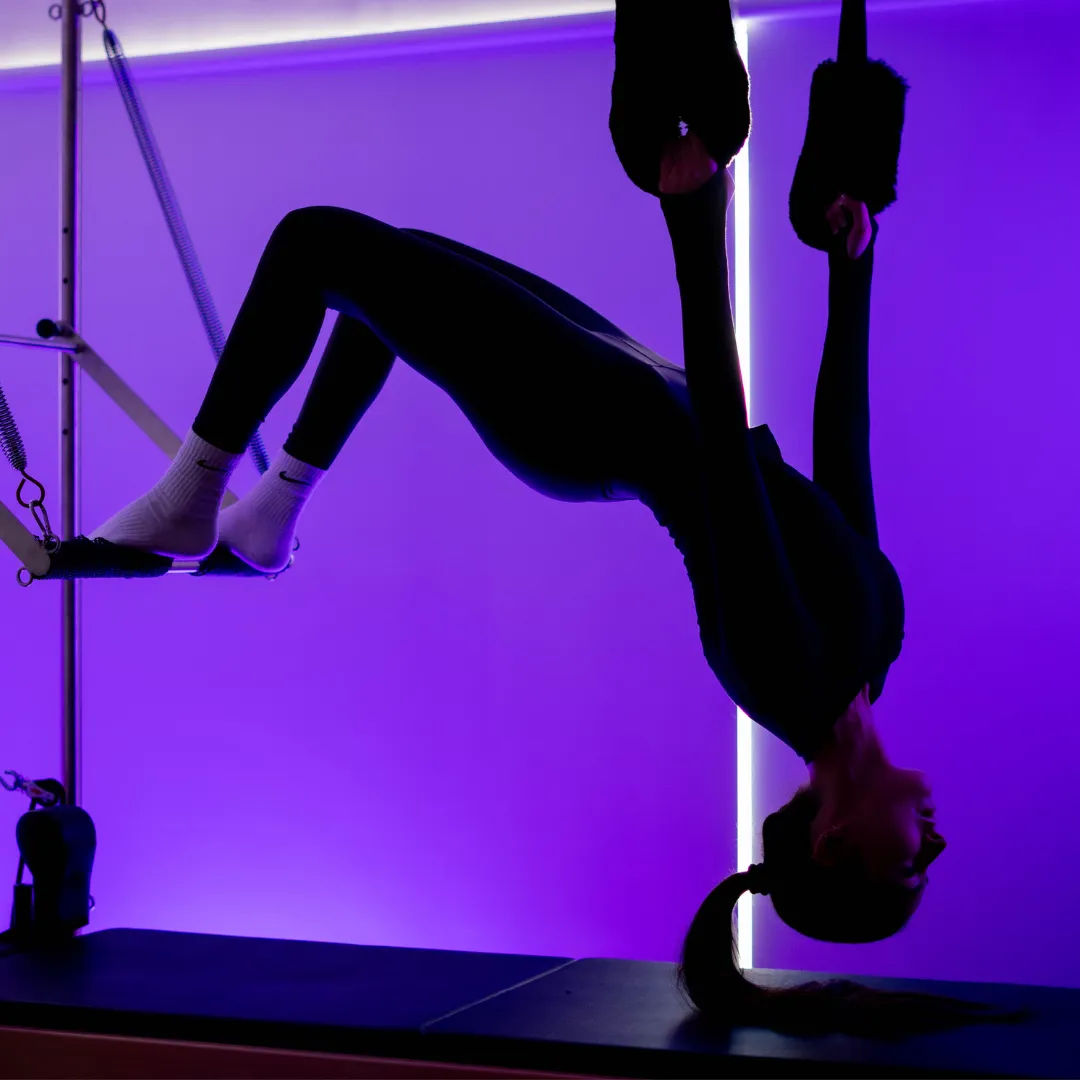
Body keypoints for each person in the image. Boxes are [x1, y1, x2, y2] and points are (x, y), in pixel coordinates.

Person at [90, 0, 994, 1037]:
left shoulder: (778, 670)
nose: (936, 846)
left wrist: (698, 236)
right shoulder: (875, 652)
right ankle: (269, 517)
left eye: (908, 867)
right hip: (647, 390)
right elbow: (846, 454)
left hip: (585, 426)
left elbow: (728, 475)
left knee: (318, 246)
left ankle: (189, 502)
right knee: (394, 266)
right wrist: (852, 269)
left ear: (833, 840)